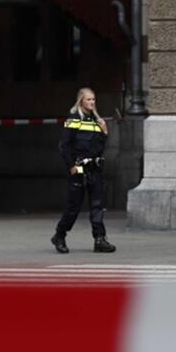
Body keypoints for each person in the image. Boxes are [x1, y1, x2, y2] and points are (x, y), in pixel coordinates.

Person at [51, 88, 116, 254]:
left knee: (97, 206)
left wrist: (105, 132)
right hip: (78, 170)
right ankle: (60, 235)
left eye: (93, 99)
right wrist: (71, 166)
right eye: (88, 99)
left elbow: (99, 148)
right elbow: (64, 145)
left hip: (95, 169)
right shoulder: (74, 119)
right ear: (81, 101)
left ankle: (100, 239)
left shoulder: (96, 120)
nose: (92, 102)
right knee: (73, 207)